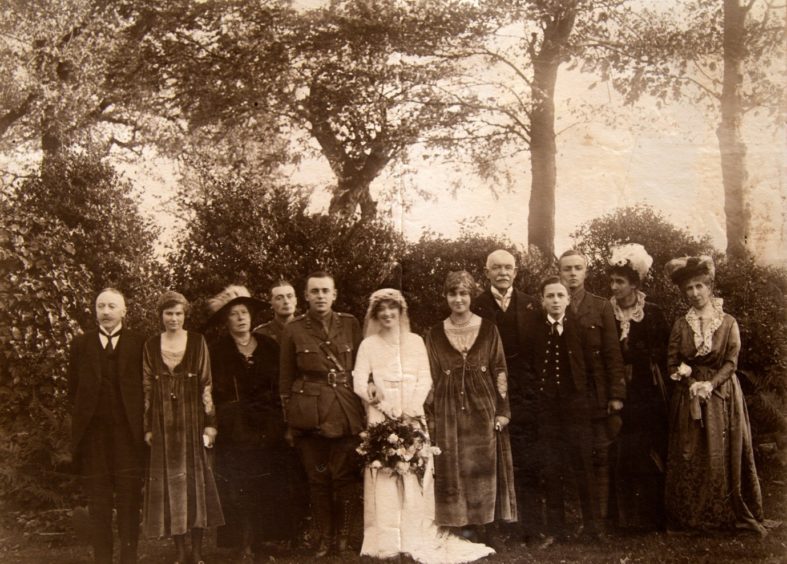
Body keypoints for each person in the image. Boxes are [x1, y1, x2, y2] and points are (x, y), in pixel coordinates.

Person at [353, 288, 495, 563]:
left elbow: (425, 379)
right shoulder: (368, 345)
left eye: (392, 308)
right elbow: (359, 381)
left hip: (412, 415)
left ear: (401, 311)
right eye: (381, 310)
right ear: (375, 315)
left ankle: (414, 536)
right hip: (381, 417)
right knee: (385, 474)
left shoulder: (416, 341)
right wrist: (380, 402)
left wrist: (409, 411)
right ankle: (387, 540)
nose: (387, 314)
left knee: (414, 474)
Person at [663, 256, 765, 533]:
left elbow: (732, 362)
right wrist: (689, 379)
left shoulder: (728, 322)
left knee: (721, 451)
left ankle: (723, 512)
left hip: (722, 396)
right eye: (689, 289)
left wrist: (711, 384)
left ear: (710, 287)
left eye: (699, 287)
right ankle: (691, 514)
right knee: (690, 451)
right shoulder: (681, 325)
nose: (695, 293)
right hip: (688, 397)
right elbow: (671, 362)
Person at [424, 271, 517, 546]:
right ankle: (459, 524)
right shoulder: (434, 333)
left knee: (483, 463)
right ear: (446, 297)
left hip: (483, 404)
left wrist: (502, 410)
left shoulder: (488, 329)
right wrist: (429, 416)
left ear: (471, 296)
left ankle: (485, 523)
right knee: (453, 462)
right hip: (447, 406)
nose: (458, 299)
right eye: (453, 294)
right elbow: (430, 375)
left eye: (463, 293)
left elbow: (500, 369)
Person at [207, 285, 298, 560]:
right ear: (227, 320)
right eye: (234, 314)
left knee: (268, 483)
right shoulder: (217, 350)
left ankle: (264, 540)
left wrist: (282, 422)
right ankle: (242, 542)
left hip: (268, 426)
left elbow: (281, 385)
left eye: (244, 313)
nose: (240, 318)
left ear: (251, 316)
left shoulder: (269, 346)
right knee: (238, 484)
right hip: (234, 428)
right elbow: (211, 389)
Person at [279, 271, 365, 557]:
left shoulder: (351, 324)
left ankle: (343, 536)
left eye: (325, 291)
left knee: (345, 477)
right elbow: (285, 379)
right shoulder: (293, 329)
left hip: (344, 408)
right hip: (309, 413)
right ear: (305, 296)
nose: (320, 296)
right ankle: (324, 538)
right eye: (314, 291)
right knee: (317, 480)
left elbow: (363, 368)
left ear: (335, 294)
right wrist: (291, 422)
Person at [142, 291, 224, 564]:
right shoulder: (151, 345)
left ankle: (198, 551)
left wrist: (210, 424)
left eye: (178, 313)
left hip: (193, 421)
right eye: (168, 313)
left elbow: (207, 384)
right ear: (161, 316)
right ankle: (180, 551)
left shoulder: (198, 342)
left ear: (185, 315)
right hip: (163, 423)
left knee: (195, 483)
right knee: (171, 484)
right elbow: (147, 388)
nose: (173, 319)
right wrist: (148, 427)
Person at [68, 288, 145, 564]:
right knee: (98, 501)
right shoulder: (80, 345)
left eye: (112, 306)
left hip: (128, 434)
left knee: (129, 499)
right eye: (101, 306)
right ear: (94, 311)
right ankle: (102, 558)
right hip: (94, 436)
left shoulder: (140, 343)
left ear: (124, 311)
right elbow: (73, 390)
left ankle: (129, 557)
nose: (106, 311)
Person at [522, 276, 601, 546]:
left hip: (576, 409)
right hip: (547, 411)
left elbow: (591, 369)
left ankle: (592, 527)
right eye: (550, 296)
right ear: (542, 301)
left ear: (568, 299)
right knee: (552, 467)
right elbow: (530, 369)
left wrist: (588, 403)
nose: (555, 301)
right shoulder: (535, 331)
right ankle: (556, 529)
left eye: (560, 295)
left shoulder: (579, 328)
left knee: (583, 466)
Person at [471, 249, 541, 542]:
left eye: (508, 267)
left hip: (524, 392)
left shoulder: (530, 305)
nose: (502, 272)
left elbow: (538, 352)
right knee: (490, 457)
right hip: (487, 392)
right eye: (496, 267)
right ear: (486, 272)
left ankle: (530, 526)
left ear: (516, 271)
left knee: (526, 457)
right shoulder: (475, 305)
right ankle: (493, 526)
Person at [558, 249, 626, 528]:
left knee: (600, 455)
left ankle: (598, 520)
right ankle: (572, 519)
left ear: (586, 272)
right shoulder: (552, 302)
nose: (572, 273)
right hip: (563, 395)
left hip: (594, 393)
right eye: (567, 269)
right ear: (559, 272)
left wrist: (616, 395)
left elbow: (612, 353)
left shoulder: (601, 307)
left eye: (578, 268)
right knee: (570, 456)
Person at [606, 244, 670, 531]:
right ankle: (622, 518)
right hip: (618, 392)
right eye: (613, 281)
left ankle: (651, 517)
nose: (615, 286)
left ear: (634, 284)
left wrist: (638, 355)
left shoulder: (652, 313)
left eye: (620, 281)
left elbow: (663, 351)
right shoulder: (606, 312)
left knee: (647, 451)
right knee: (619, 452)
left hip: (647, 393)